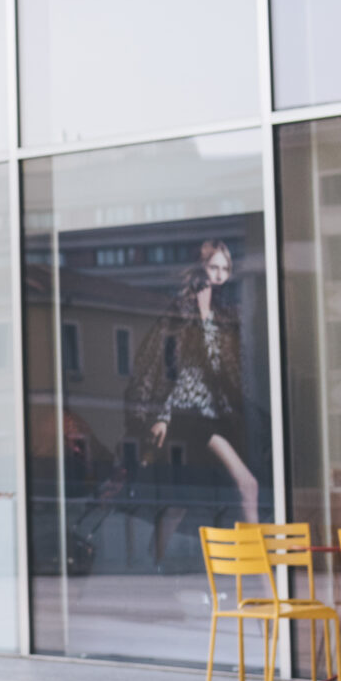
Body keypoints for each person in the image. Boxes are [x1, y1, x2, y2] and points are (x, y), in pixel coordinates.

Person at [123, 238, 261, 565]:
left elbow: (227, 369)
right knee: (248, 484)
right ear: (201, 268)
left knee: (179, 502)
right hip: (188, 414)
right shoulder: (182, 309)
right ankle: (258, 564)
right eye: (214, 267)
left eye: (225, 268)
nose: (220, 274)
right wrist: (162, 416)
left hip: (215, 414)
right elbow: (166, 368)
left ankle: (152, 562)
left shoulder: (226, 313)